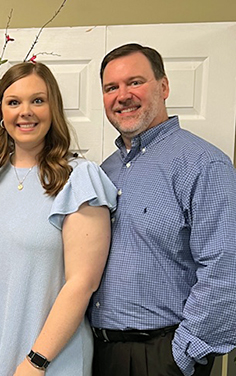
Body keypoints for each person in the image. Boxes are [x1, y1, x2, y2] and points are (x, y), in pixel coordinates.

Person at [88, 43, 236, 376]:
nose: (122, 95)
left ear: (164, 87)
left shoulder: (204, 164)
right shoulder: (102, 172)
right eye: (111, 87)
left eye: (135, 82)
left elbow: (225, 267)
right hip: (97, 352)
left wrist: (181, 355)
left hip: (159, 357)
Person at [0, 61, 117, 376]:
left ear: (54, 108)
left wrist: (37, 361)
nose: (26, 111)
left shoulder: (78, 178)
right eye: (13, 102)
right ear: (0, 112)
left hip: (49, 358)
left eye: (38, 100)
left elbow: (83, 282)